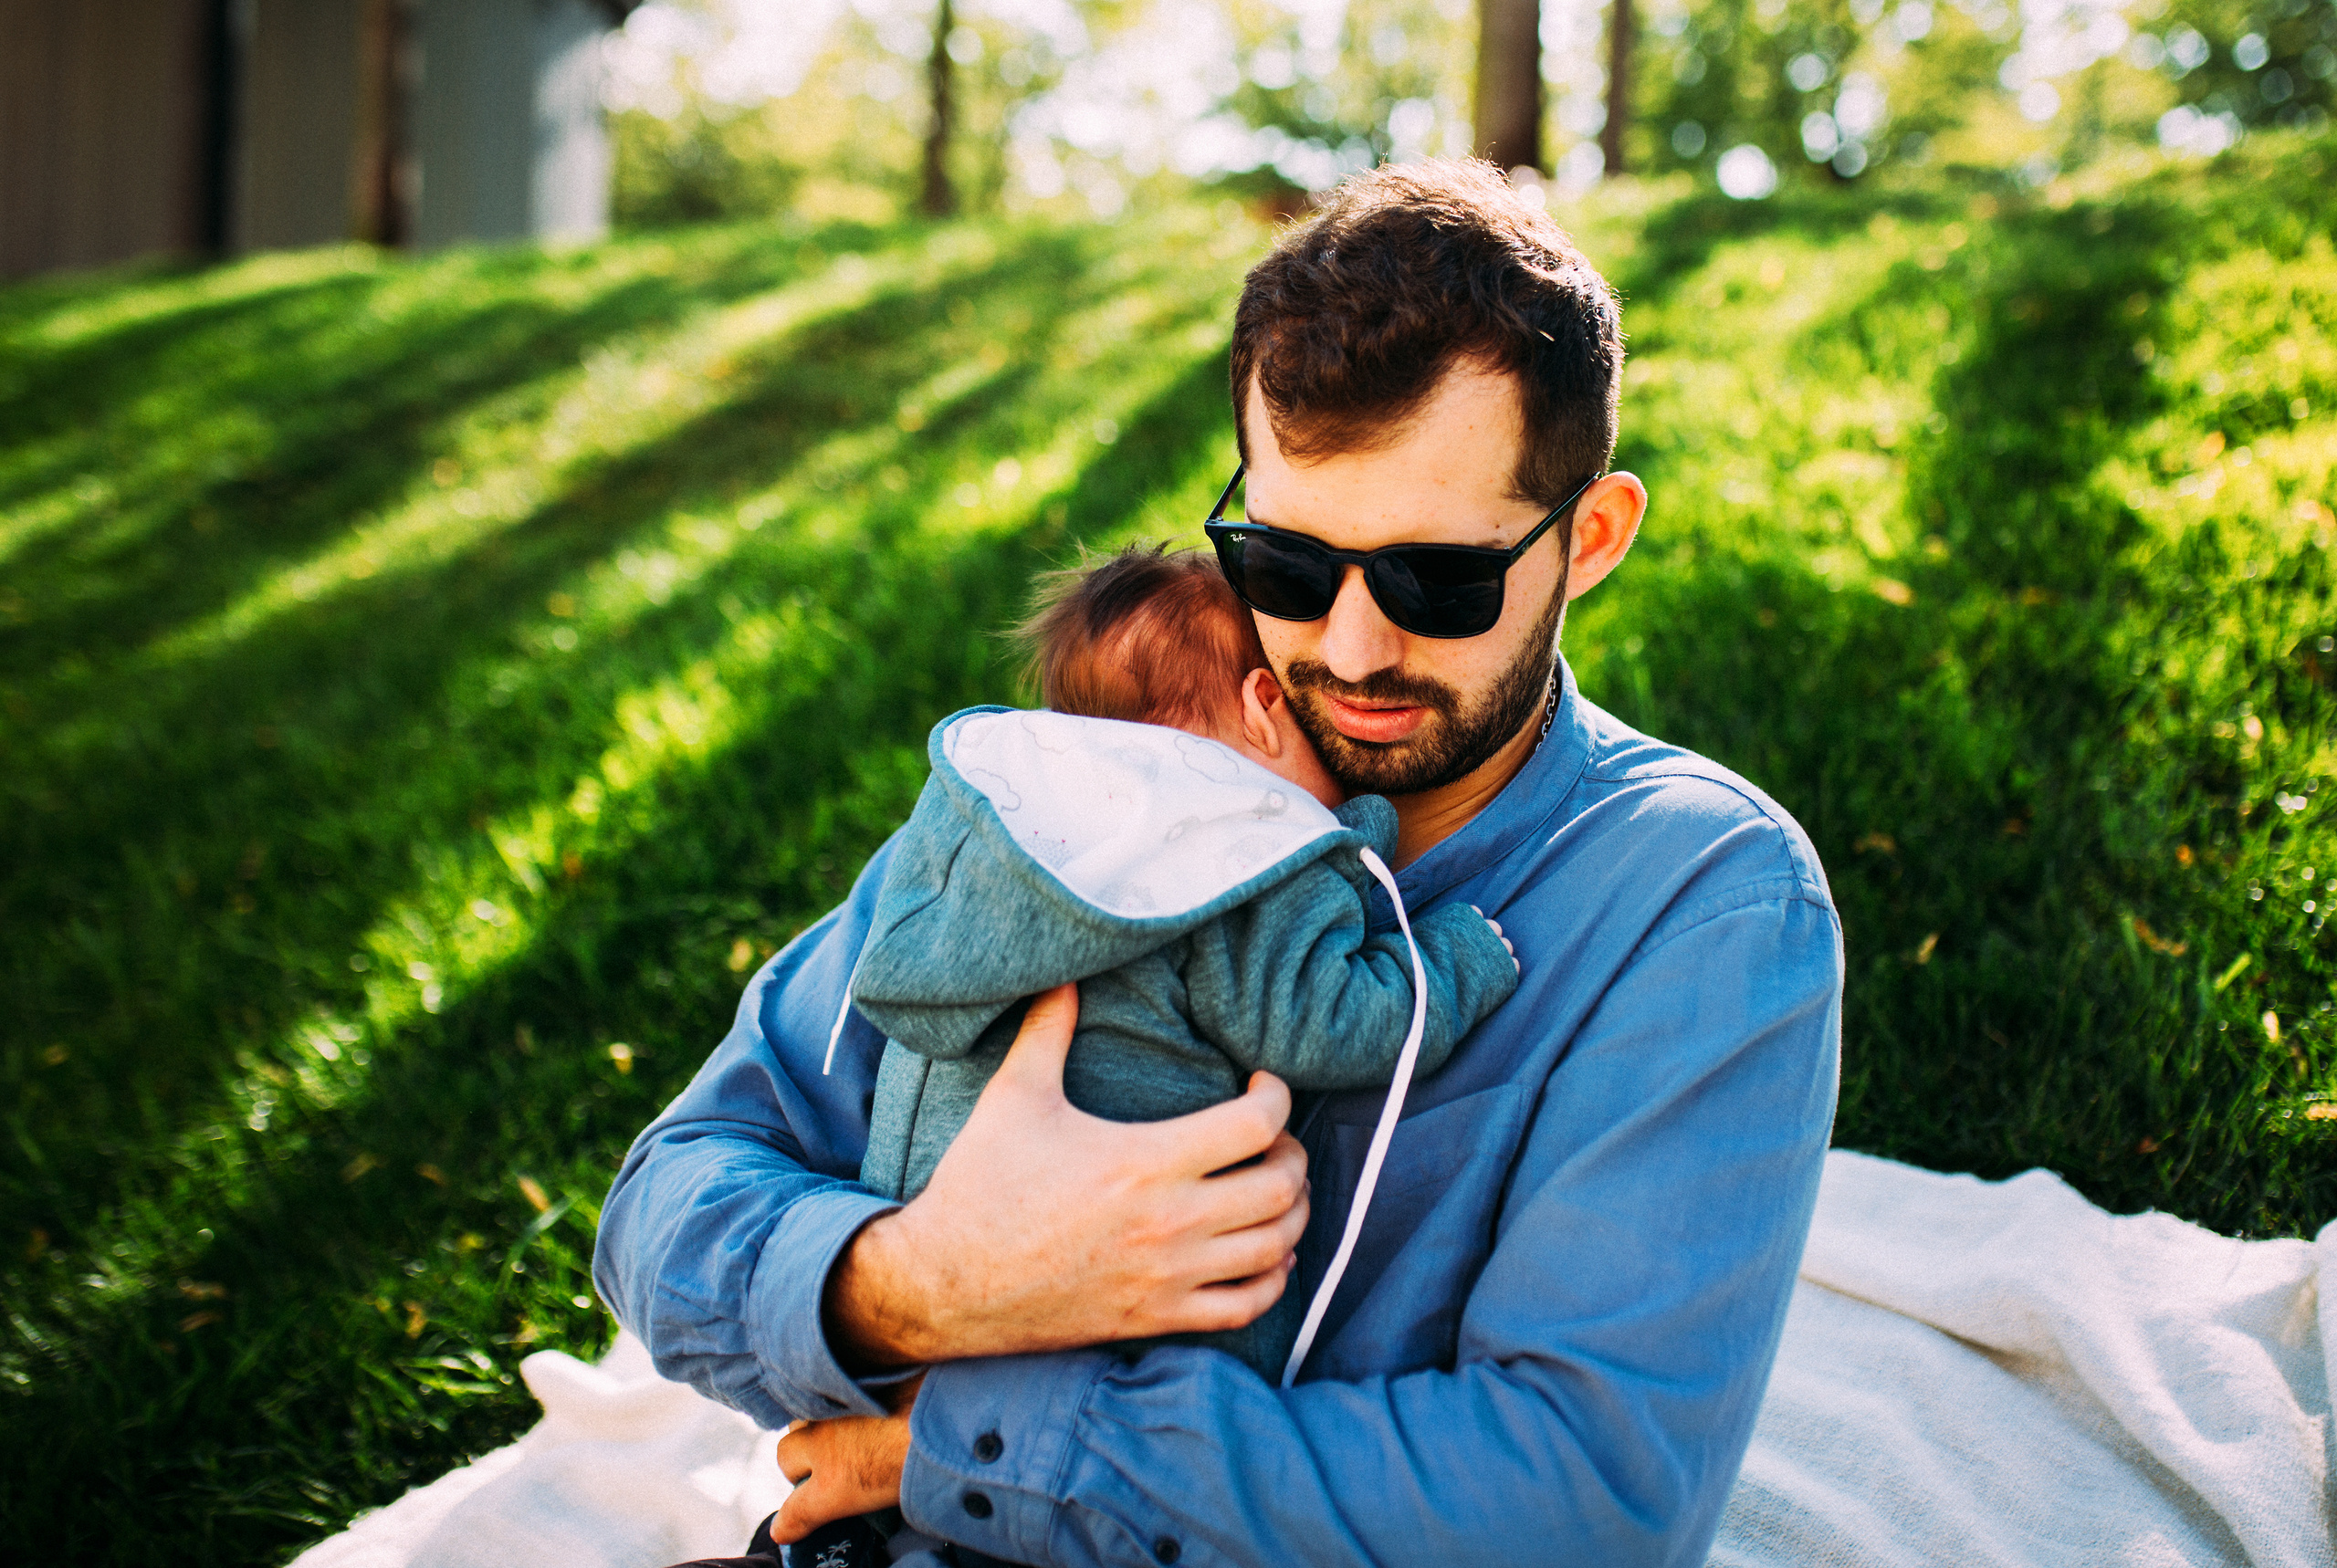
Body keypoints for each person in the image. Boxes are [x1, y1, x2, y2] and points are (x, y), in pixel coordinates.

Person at [595, 157, 1842, 1568]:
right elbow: (667, 1206)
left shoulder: (1702, 897)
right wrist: (928, 1282)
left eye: (1439, 580)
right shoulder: (1100, 785)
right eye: (1289, 564)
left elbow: (1583, 1505)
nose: (1352, 649)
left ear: (1592, 537)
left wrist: (968, 1440)